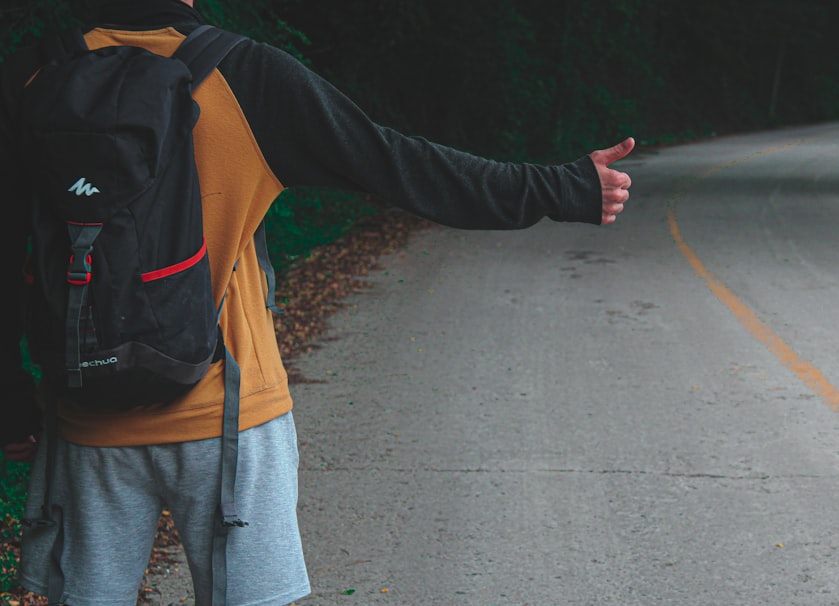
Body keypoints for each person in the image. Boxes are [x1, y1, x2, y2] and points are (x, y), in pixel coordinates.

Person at [0, 0, 633, 604]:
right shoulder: (244, 75)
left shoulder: (31, 76)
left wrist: (10, 400)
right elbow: (397, 164)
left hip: (85, 418)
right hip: (230, 419)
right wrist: (560, 187)